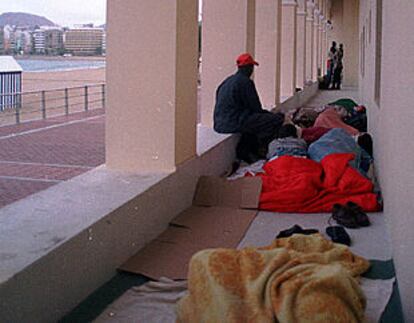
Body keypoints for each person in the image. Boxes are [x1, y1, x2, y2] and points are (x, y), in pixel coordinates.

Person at [214, 53, 285, 163]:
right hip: (234, 122)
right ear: (249, 68)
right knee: (276, 120)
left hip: (220, 123)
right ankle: (259, 150)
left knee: (253, 122)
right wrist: (274, 115)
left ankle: (246, 150)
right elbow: (256, 108)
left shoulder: (227, 81)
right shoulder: (245, 82)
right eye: (251, 67)